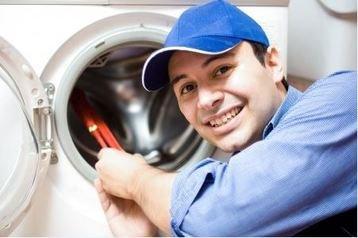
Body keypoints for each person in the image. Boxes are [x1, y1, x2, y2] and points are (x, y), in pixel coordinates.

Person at [94, 0, 357, 236]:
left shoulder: (345, 100)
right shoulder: (238, 180)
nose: (206, 100)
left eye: (222, 69)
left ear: (273, 64)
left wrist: (137, 181)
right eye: (187, 88)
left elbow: (215, 220)